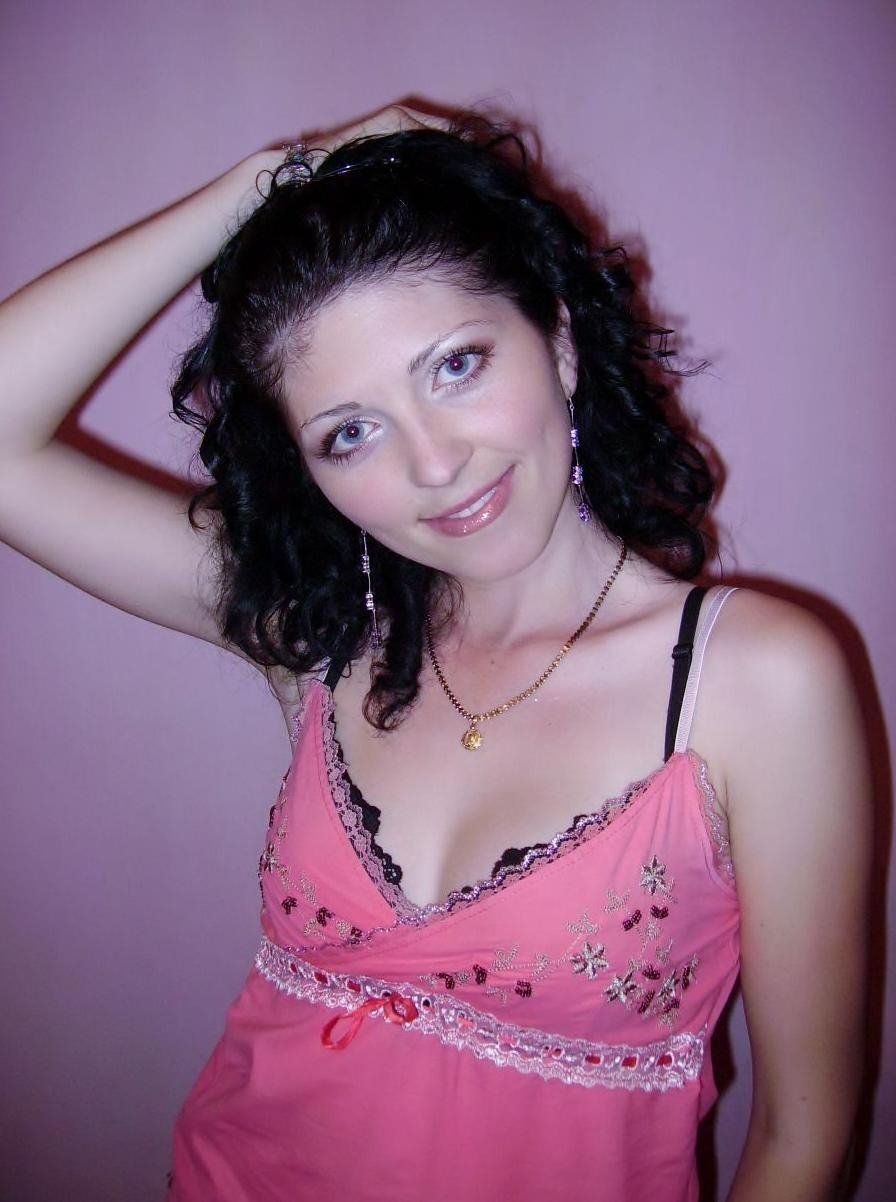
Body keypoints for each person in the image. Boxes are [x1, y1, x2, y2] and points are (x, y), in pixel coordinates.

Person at [0, 104, 872, 1202]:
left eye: (456, 366)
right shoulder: (321, 630)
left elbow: (801, 1137)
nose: (433, 463)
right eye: (349, 432)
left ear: (558, 342)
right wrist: (266, 181)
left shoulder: (754, 680)